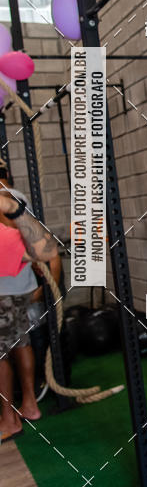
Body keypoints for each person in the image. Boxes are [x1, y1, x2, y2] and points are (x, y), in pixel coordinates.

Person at [0, 169, 58, 441]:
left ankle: (9, 419)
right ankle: (30, 405)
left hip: (6, 290)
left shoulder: (10, 202)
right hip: (19, 287)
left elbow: (46, 251)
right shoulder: (16, 197)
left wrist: (49, 285)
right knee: (20, 344)